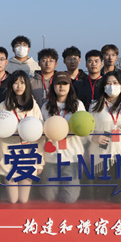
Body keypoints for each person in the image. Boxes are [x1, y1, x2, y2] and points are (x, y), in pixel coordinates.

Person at [0, 70, 44, 204]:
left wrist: (40, 162)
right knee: (13, 200)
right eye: (15, 83)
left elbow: (40, 134)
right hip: (10, 155)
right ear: (11, 85)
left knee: (23, 199)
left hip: (29, 155)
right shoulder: (4, 106)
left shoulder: (33, 105)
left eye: (22, 83)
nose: (19, 86)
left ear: (27, 85)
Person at [88, 71, 121, 201]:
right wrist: (93, 137)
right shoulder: (94, 106)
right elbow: (87, 129)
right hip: (101, 155)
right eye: (108, 83)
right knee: (100, 194)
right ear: (103, 87)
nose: (112, 86)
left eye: (115, 83)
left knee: (120, 195)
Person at [40, 72, 85, 203]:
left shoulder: (78, 105)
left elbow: (83, 128)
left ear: (70, 86)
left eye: (65, 83)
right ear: (53, 86)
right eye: (58, 83)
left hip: (72, 157)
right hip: (51, 157)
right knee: (48, 196)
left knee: (70, 198)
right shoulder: (46, 106)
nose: (61, 87)